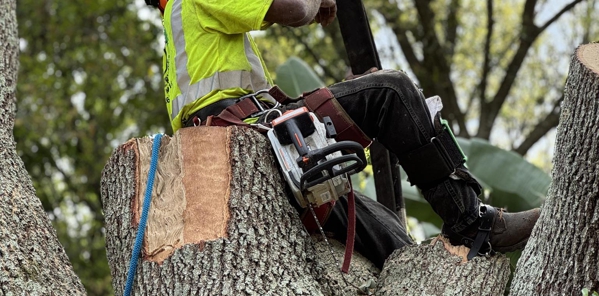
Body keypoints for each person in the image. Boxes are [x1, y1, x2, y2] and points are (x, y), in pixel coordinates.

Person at [147, 0, 540, 267]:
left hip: (254, 149)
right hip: (251, 143)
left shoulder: (183, 25)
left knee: (394, 240)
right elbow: (296, 9)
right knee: (392, 92)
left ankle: (439, 277)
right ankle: (473, 222)